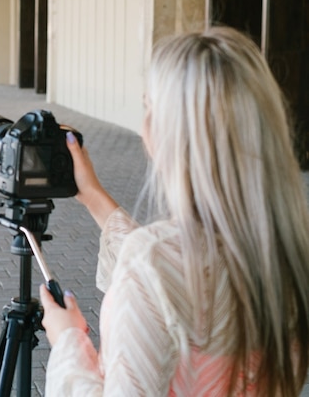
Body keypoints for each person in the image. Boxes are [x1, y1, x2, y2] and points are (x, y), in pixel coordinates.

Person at [40, 26, 309, 396]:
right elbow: (179, 269)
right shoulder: (291, 246)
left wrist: (68, 340)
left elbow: (161, 269)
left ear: (167, 131)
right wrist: (94, 196)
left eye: (149, 107)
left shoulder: (152, 259)